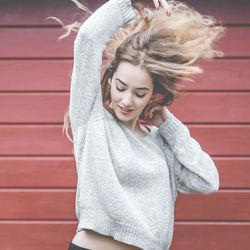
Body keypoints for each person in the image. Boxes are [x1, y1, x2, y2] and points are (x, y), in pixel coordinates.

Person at [49, 0, 225, 249]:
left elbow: (207, 181)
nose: (126, 100)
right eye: (121, 87)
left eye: (140, 93)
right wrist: (128, 3)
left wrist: (169, 125)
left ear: (153, 95)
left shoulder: (160, 142)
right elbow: (88, 39)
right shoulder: (93, 121)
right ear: (110, 81)